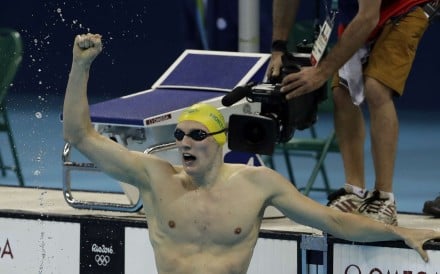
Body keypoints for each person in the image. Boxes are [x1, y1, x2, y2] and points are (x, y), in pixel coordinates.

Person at [63, 33, 440, 274]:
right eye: (179, 134)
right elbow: (80, 135)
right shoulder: (155, 177)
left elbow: (335, 222)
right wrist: (80, 67)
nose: (184, 143)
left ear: (221, 140)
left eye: (196, 135)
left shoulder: (257, 185)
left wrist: (400, 231)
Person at [268, 0, 432, 225]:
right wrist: (278, 46)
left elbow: (368, 18)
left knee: (375, 87)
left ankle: (384, 198)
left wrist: (321, 73)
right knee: (342, 94)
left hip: (404, 7)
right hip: (357, 15)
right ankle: (354, 192)